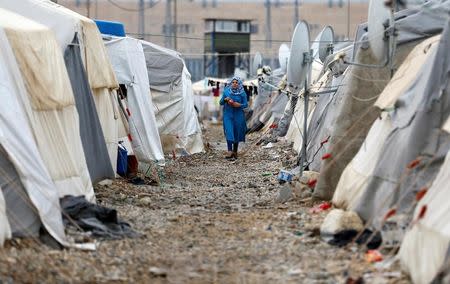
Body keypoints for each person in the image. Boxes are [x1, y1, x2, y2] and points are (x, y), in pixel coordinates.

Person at [219, 76, 248, 160]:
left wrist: (239, 105)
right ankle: (229, 150)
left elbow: (246, 104)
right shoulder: (226, 91)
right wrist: (225, 100)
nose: (234, 84)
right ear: (231, 83)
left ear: (239, 84)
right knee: (229, 131)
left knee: (236, 132)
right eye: (233, 82)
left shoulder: (242, 93)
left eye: (236, 82)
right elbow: (220, 102)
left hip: (238, 115)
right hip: (228, 114)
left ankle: (235, 151)